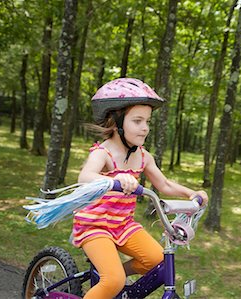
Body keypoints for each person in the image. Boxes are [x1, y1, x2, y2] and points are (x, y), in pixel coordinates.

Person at [72, 78, 208, 299]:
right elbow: (85, 177)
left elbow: (163, 184)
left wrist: (191, 193)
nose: (145, 127)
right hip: (94, 226)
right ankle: (111, 280)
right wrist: (118, 179)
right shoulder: (103, 153)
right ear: (116, 121)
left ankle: (108, 279)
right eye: (137, 121)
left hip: (123, 225)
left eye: (147, 121)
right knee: (113, 280)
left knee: (156, 260)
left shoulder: (143, 156)